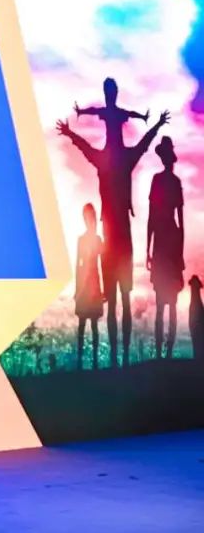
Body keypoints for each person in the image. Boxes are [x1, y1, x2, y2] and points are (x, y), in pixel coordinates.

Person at [56, 108, 169, 367]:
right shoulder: (117, 158)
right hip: (116, 241)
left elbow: (88, 147)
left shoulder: (109, 159)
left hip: (116, 241)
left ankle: (122, 357)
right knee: (119, 300)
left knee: (120, 300)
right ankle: (122, 358)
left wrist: (70, 132)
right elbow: (140, 143)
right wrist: (157, 125)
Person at [147, 136, 185, 359]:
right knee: (167, 303)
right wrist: (149, 248)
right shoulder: (168, 181)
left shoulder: (161, 181)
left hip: (165, 243)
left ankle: (164, 353)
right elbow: (179, 222)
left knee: (165, 303)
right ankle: (165, 352)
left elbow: (154, 218)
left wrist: (149, 248)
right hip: (166, 243)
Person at [75, 203, 104, 370]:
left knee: (92, 324)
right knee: (83, 323)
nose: (89, 221)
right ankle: (82, 361)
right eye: (87, 218)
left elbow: (102, 263)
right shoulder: (83, 240)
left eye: (91, 217)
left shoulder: (96, 240)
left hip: (93, 283)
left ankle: (94, 361)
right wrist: (77, 288)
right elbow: (78, 264)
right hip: (86, 284)